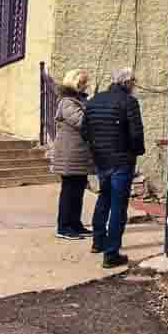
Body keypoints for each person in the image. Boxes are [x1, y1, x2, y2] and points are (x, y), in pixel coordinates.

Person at [82, 67, 145, 268]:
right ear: (127, 83)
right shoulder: (129, 102)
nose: (134, 86)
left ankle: (98, 242)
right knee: (118, 205)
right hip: (121, 159)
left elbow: (85, 130)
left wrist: (96, 148)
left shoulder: (93, 101)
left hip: (101, 158)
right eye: (133, 83)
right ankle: (111, 253)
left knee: (104, 197)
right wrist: (136, 152)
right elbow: (136, 133)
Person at [51, 69, 93, 240]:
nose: (85, 85)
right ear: (75, 83)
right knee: (69, 192)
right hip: (70, 155)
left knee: (78, 191)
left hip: (78, 155)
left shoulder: (78, 101)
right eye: (82, 83)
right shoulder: (68, 102)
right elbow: (82, 121)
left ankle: (75, 224)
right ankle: (64, 227)